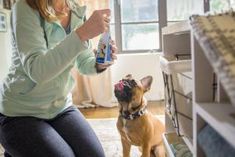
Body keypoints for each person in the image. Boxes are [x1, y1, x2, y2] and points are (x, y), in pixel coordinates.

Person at [0, 0, 117, 156]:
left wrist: (100, 64)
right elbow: (38, 71)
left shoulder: (75, 10)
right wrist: (82, 33)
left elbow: (83, 62)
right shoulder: (25, 7)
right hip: (19, 113)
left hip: (60, 107)